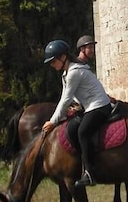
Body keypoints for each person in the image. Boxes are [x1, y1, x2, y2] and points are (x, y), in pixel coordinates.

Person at [41, 39, 112, 187]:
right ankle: (79, 163)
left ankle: (91, 173)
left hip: (99, 106)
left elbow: (65, 99)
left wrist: (53, 121)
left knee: (83, 132)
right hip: (89, 106)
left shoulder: (74, 73)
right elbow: (68, 97)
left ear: (63, 57)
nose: (52, 65)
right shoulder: (67, 73)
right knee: (71, 128)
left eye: (53, 61)